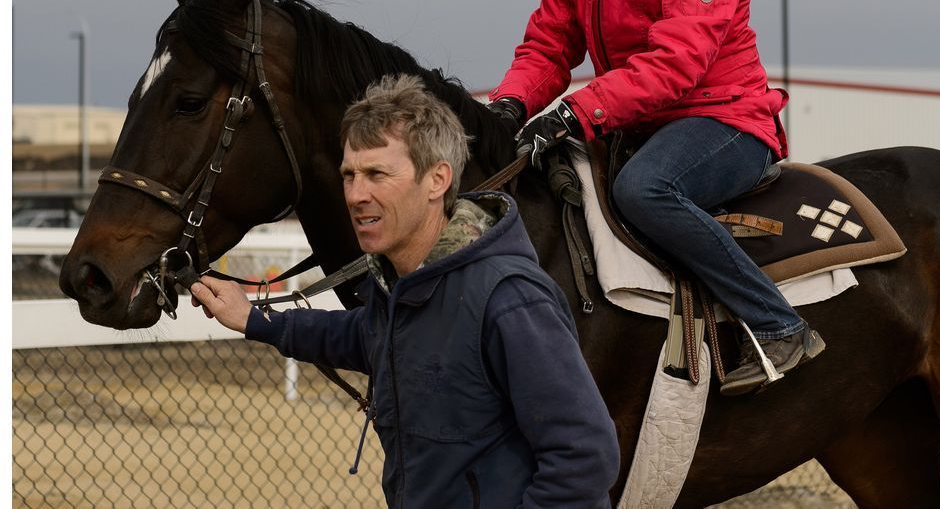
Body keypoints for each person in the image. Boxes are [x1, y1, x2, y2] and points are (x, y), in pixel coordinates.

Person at [486, 0, 824, 396]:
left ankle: (779, 326)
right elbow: (548, 43)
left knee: (644, 191)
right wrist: (509, 105)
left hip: (725, 121)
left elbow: (676, 65)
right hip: (635, 119)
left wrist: (577, 111)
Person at [190, 74, 620, 508]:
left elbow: (584, 458)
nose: (357, 194)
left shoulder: (508, 299)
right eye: (350, 175)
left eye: (377, 173)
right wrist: (251, 318)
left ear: (437, 180)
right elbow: (362, 335)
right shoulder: (400, 288)